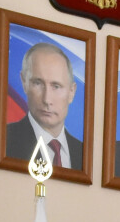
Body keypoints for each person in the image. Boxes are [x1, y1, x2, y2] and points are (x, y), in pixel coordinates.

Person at [5, 39, 83, 171]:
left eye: (56, 86)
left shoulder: (84, 154)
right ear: (24, 83)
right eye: (38, 83)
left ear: (72, 92)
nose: (47, 99)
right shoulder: (4, 140)